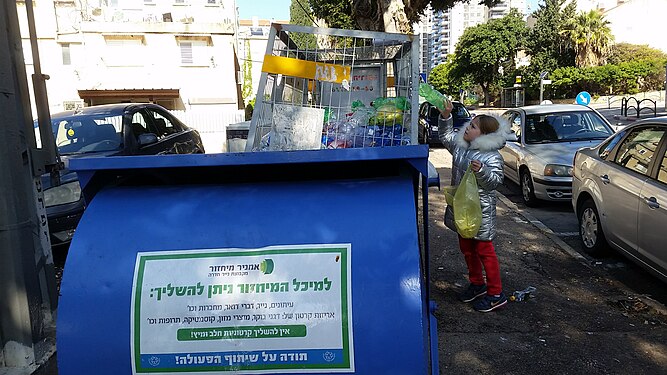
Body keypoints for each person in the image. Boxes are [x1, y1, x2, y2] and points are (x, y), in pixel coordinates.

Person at [438, 101, 509, 313]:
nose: (468, 127)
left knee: (484, 251)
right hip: (463, 209)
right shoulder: (461, 147)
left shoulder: (491, 156)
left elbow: (495, 182)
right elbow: (445, 136)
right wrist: (446, 117)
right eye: (470, 124)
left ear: (484, 135)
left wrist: (482, 171)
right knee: (467, 249)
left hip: (481, 212)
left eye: (474, 126)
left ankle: (496, 294)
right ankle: (477, 284)